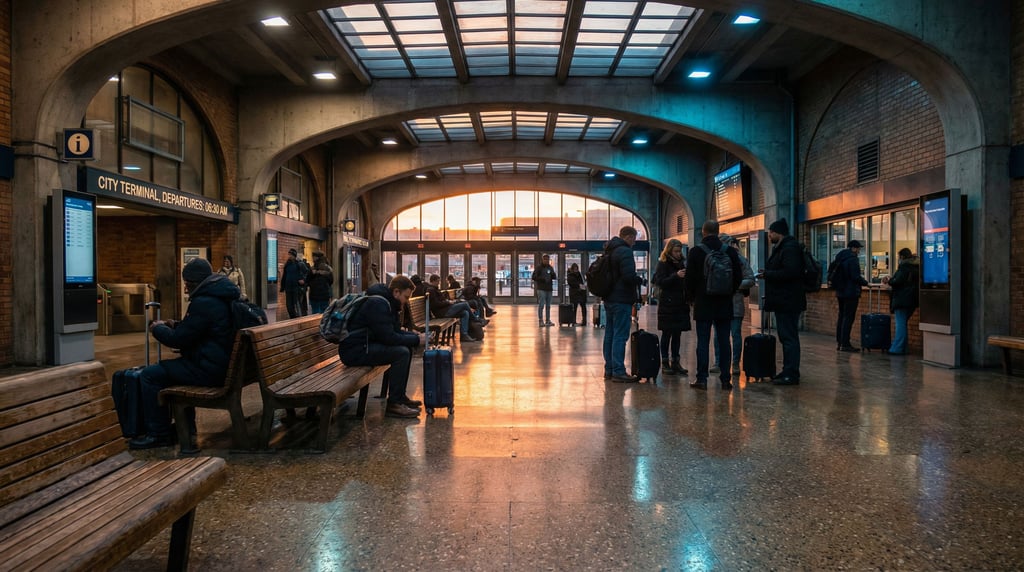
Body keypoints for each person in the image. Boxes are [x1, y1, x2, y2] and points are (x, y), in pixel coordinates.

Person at [130, 258, 240, 449]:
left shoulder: (204, 301)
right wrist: (178, 325)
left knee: (150, 375)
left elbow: (178, 340)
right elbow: (203, 329)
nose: (186, 288)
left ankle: (159, 434)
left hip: (211, 371)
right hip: (227, 367)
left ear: (194, 282)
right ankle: (186, 428)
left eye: (187, 283)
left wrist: (157, 328)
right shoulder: (224, 296)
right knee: (173, 369)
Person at [337, 275, 422, 418]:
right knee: (401, 353)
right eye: (406, 297)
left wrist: (416, 337)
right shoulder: (377, 304)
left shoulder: (388, 303)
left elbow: (393, 331)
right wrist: (416, 340)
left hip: (365, 346)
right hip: (354, 351)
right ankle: (394, 404)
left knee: (405, 349)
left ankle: (399, 397)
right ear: (396, 292)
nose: (406, 301)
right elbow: (388, 337)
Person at [685, 221, 743, 391]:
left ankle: (702, 379)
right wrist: (729, 292)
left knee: (703, 341)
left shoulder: (696, 251)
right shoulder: (730, 251)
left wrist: (691, 298)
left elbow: (689, 279)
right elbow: (737, 277)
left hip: (703, 302)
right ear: (718, 232)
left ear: (703, 232)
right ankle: (726, 380)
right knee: (725, 340)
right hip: (724, 302)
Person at [757, 218, 805, 385]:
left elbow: (790, 272)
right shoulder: (784, 248)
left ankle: (791, 373)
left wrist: (768, 274)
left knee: (789, 337)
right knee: (786, 337)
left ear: (778, 233)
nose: (769, 235)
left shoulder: (789, 249)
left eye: (771, 233)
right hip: (785, 300)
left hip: (788, 300)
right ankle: (787, 370)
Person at [602, 226, 643, 383]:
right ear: (628, 237)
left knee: (610, 334)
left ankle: (609, 369)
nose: (634, 242)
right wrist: (638, 279)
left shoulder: (609, 250)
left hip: (609, 298)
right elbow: (627, 277)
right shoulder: (625, 251)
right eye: (633, 239)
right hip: (621, 299)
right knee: (620, 335)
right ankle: (619, 371)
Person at [712, 235, 755, 374]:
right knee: (718, 335)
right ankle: (718, 362)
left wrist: (733, 285)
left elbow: (750, 279)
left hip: (735, 301)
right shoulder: (713, 258)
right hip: (718, 302)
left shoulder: (740, 260)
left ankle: (735, 363)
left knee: (735, 334)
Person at [652, 238, 690, 376]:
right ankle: (665, 362)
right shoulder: (663, 264)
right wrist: (676, 276)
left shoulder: (682, 263)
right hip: (667, 303)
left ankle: (676, 361)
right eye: (676, 251)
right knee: (667, 333)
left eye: (680, 251)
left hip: (680, 303)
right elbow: (660, 282)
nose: (678, 254)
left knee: (677, 334)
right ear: (669, 251)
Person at [830, 239, 869, 352]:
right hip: (851, 292)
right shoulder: (852, 260)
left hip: (840, 292)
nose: (858, 251)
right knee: (848, 318)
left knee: (842, 317)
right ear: (853, 248)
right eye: (858, 248)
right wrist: (866, 283)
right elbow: (855, 276)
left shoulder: (840, 257)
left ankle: (840, 342)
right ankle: (845, 343)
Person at [883, 248, 919, 355]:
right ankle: (903, 348)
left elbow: (897, 281)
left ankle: (897, 348)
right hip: (912, 300)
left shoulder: (904, 267)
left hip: (902, 299)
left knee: (900, 324)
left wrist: (889, 280)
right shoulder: (916, 267)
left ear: (902, 257)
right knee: (902, 323)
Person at [426, 274, 481, 342]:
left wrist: (449, 301)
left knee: (465, 313)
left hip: (446, 309)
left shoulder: (435, 290)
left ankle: (464, 335)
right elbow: (435, 304)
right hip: (442, 312)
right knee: (465, 304)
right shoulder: (431, 290)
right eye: (437, 281)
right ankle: (476, 319)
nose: (439, 283)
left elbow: (441, 301)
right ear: (433, 281)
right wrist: (448, 302)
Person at [280, 248, 308, 319]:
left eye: (291, 255)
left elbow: (307, 273)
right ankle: (292, 318)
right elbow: (284, 276)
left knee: (297, 305)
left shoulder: (300, 264)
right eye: (289, 254)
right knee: (289, 306)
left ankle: (299, 319)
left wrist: (303, 280)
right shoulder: (287, 264)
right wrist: (282, 287)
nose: (289, 256)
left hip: (297, 288)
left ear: (294, 255)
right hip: (288, 288)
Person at [532, 254, 556, 327]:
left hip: (549, 289)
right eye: (545, 259)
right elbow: (534, 277)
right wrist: (542, 279)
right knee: (541, 305)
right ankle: (541, 320)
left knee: (548, 306)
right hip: (541, 289)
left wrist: (553, 274)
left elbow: (554, 277)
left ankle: (548, 320)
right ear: (542, 260)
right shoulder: (539, 268)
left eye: (547, 259)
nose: (546, 261)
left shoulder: (550, 268)